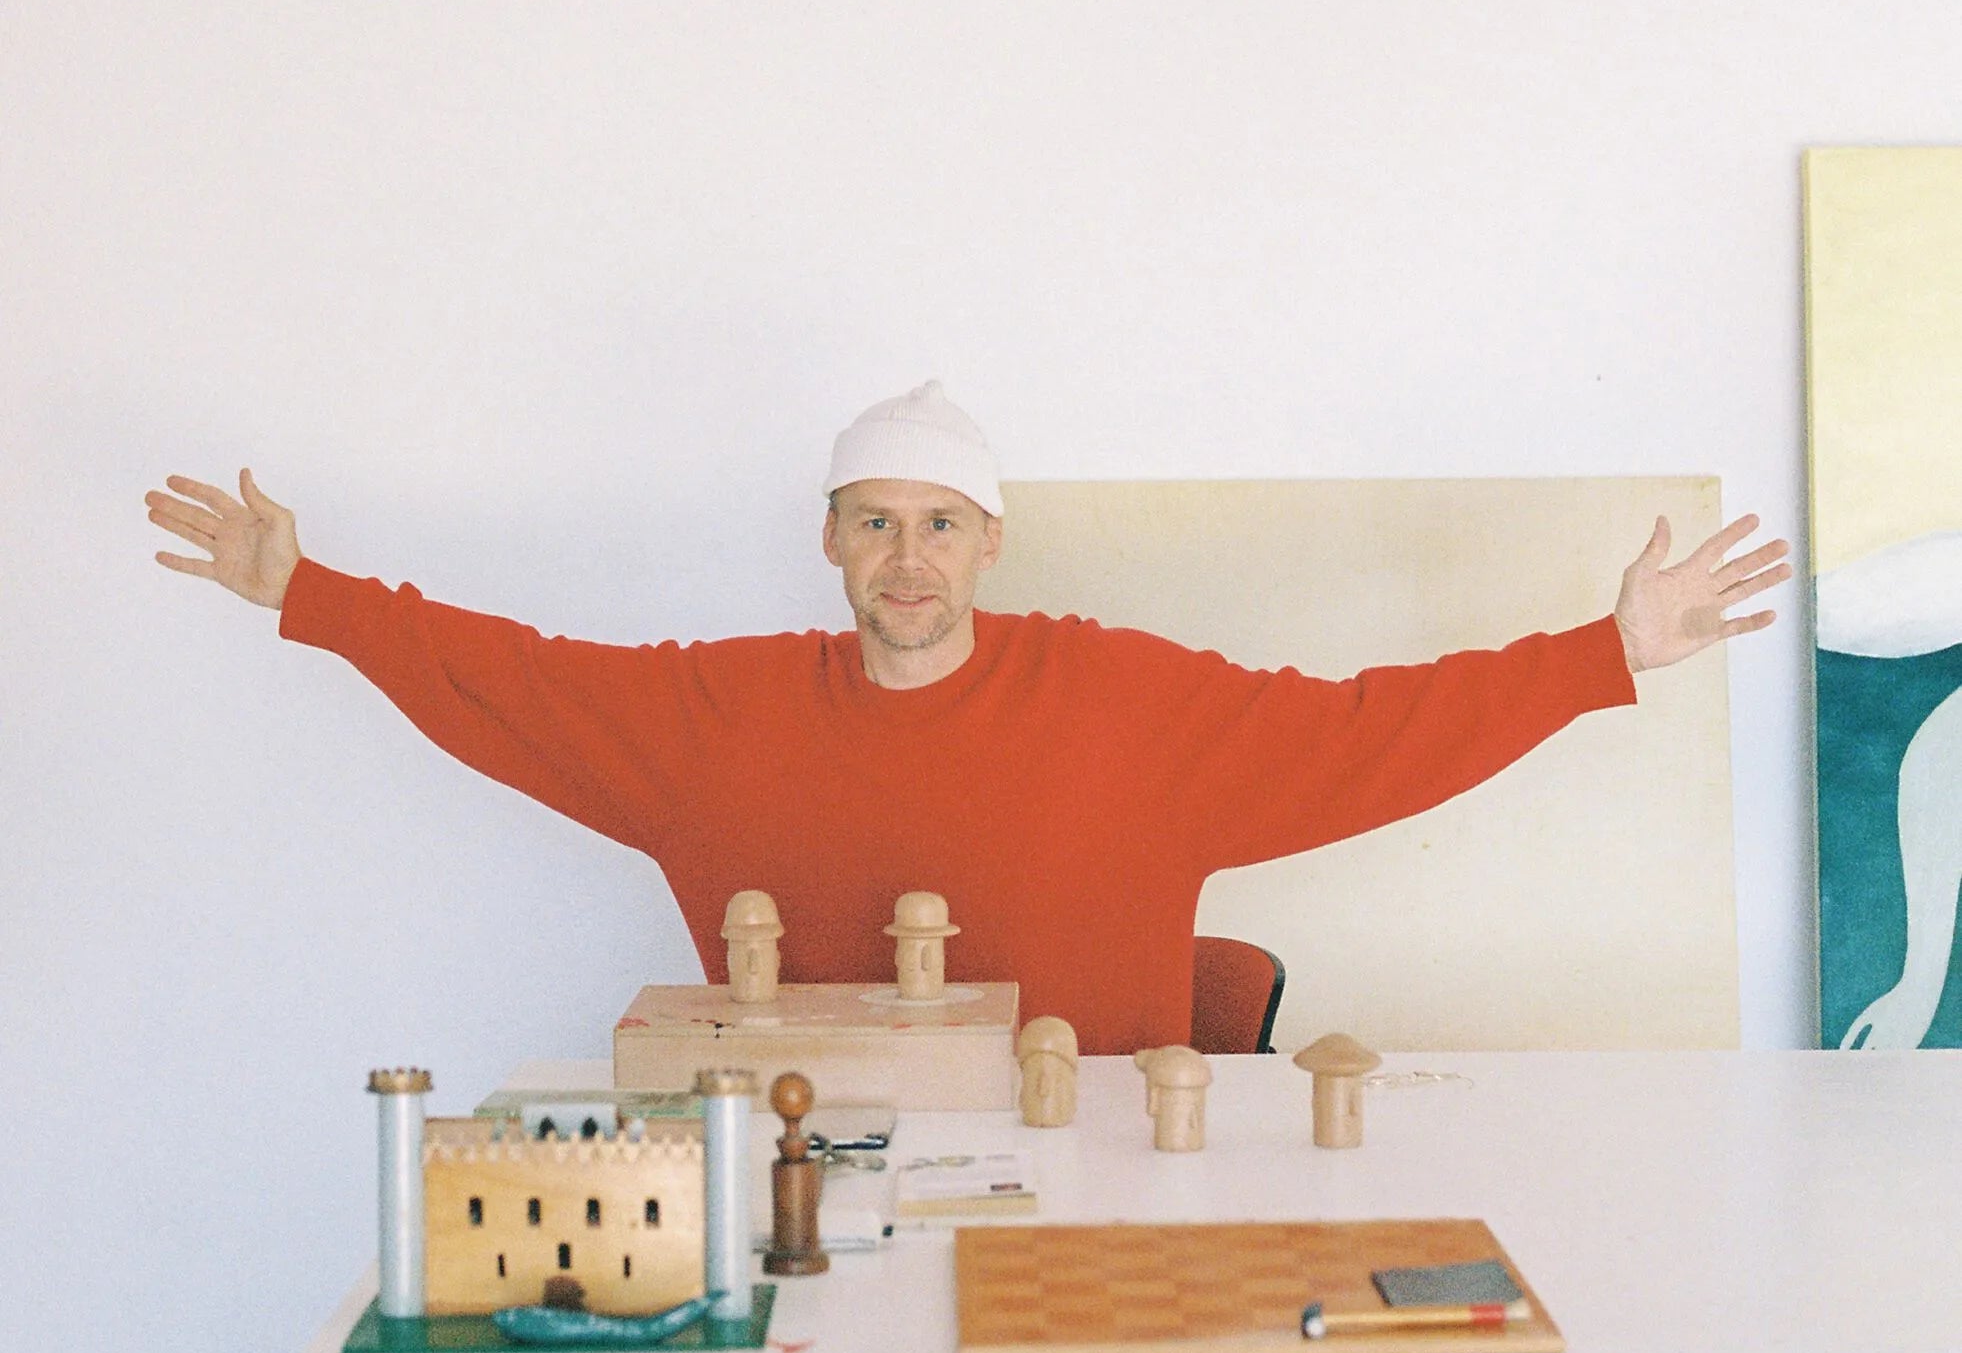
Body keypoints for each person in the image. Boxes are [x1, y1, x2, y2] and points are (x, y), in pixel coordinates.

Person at [144, 380, 1790, 1056]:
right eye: (874, 522)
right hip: (831, 1194)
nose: (907, 558)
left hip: (1101, 1178)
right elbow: (517, 680)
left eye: (940, 524)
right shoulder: (714, 717)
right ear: (829, 543)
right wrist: (311, 593)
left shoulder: (1122, 700)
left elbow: (1368, 730)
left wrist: (1604, 652)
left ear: (990, 544)